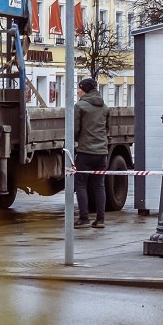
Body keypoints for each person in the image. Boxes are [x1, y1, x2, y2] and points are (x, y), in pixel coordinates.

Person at [74, 77, 109, 228]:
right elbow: (107, 128)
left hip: (85, 151)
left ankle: (84, 218)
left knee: (81, 184)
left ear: (86, 90)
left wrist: (75, 141)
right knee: (99, 185)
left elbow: (75, 129)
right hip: (102, 152)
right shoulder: (104, 107)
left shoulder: (80, 106)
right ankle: (100, 220)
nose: (78, 91)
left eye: (80, 88)